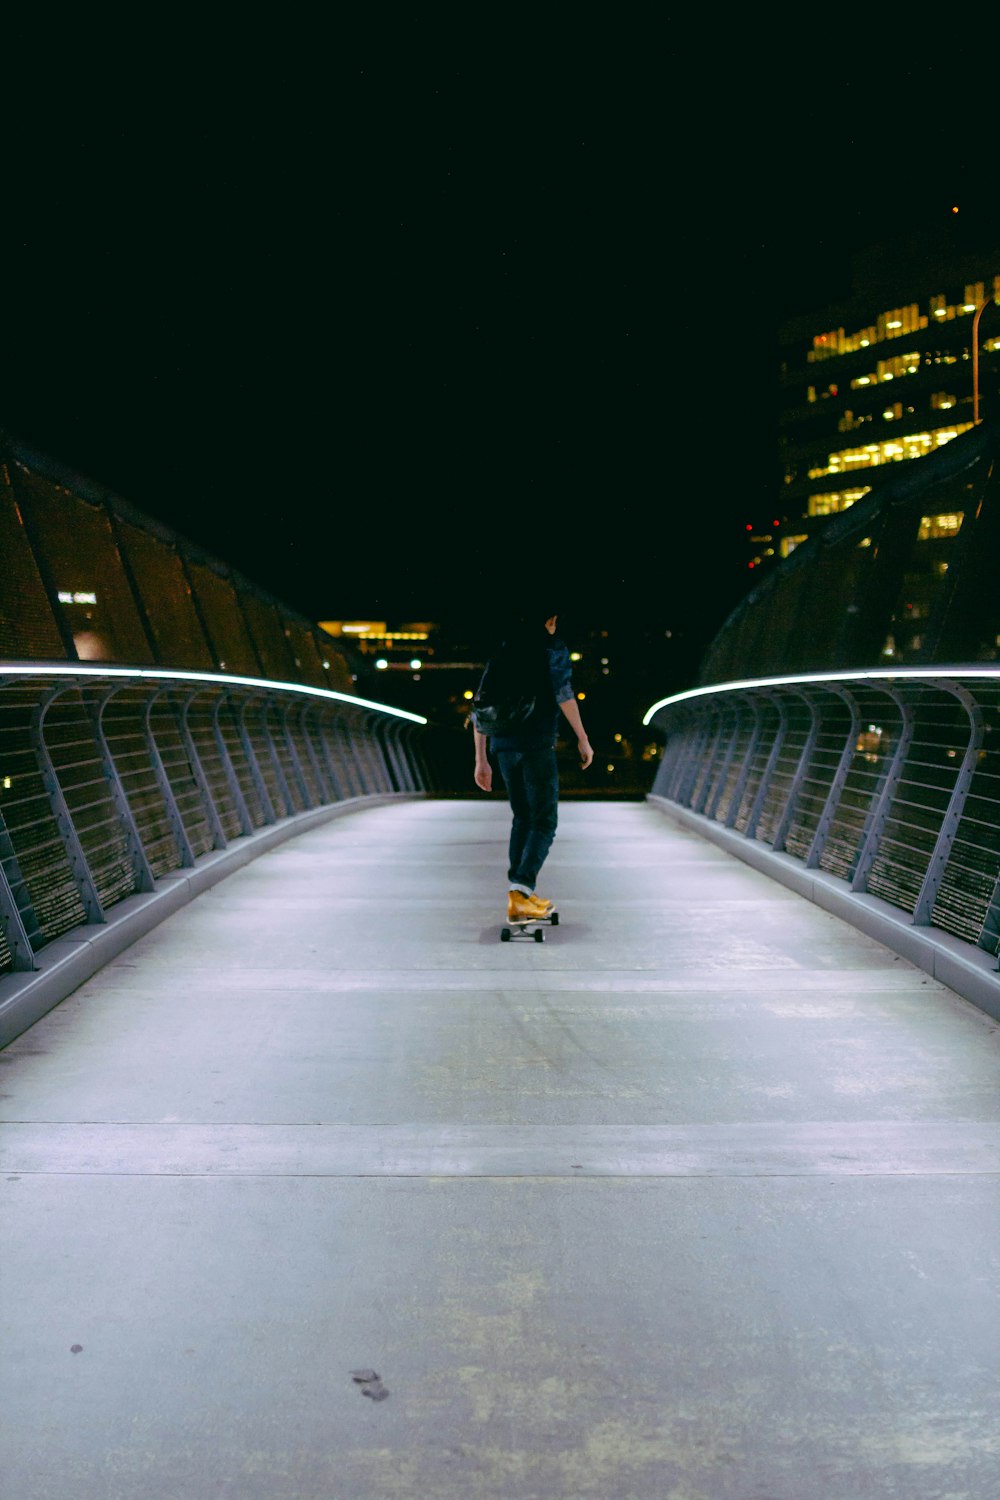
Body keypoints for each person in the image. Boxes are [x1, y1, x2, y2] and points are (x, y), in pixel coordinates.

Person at [473, 609, 593, 922]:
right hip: (537, 744)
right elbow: (564, 693)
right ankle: (522, 889)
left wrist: (481, 759)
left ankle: (520, 892)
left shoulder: (502, 651)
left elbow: (481, 706)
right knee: (544, 821)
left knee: (522, 817)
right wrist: (582, 738)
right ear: (550, 622)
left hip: (504, 748)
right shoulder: (551, 649)